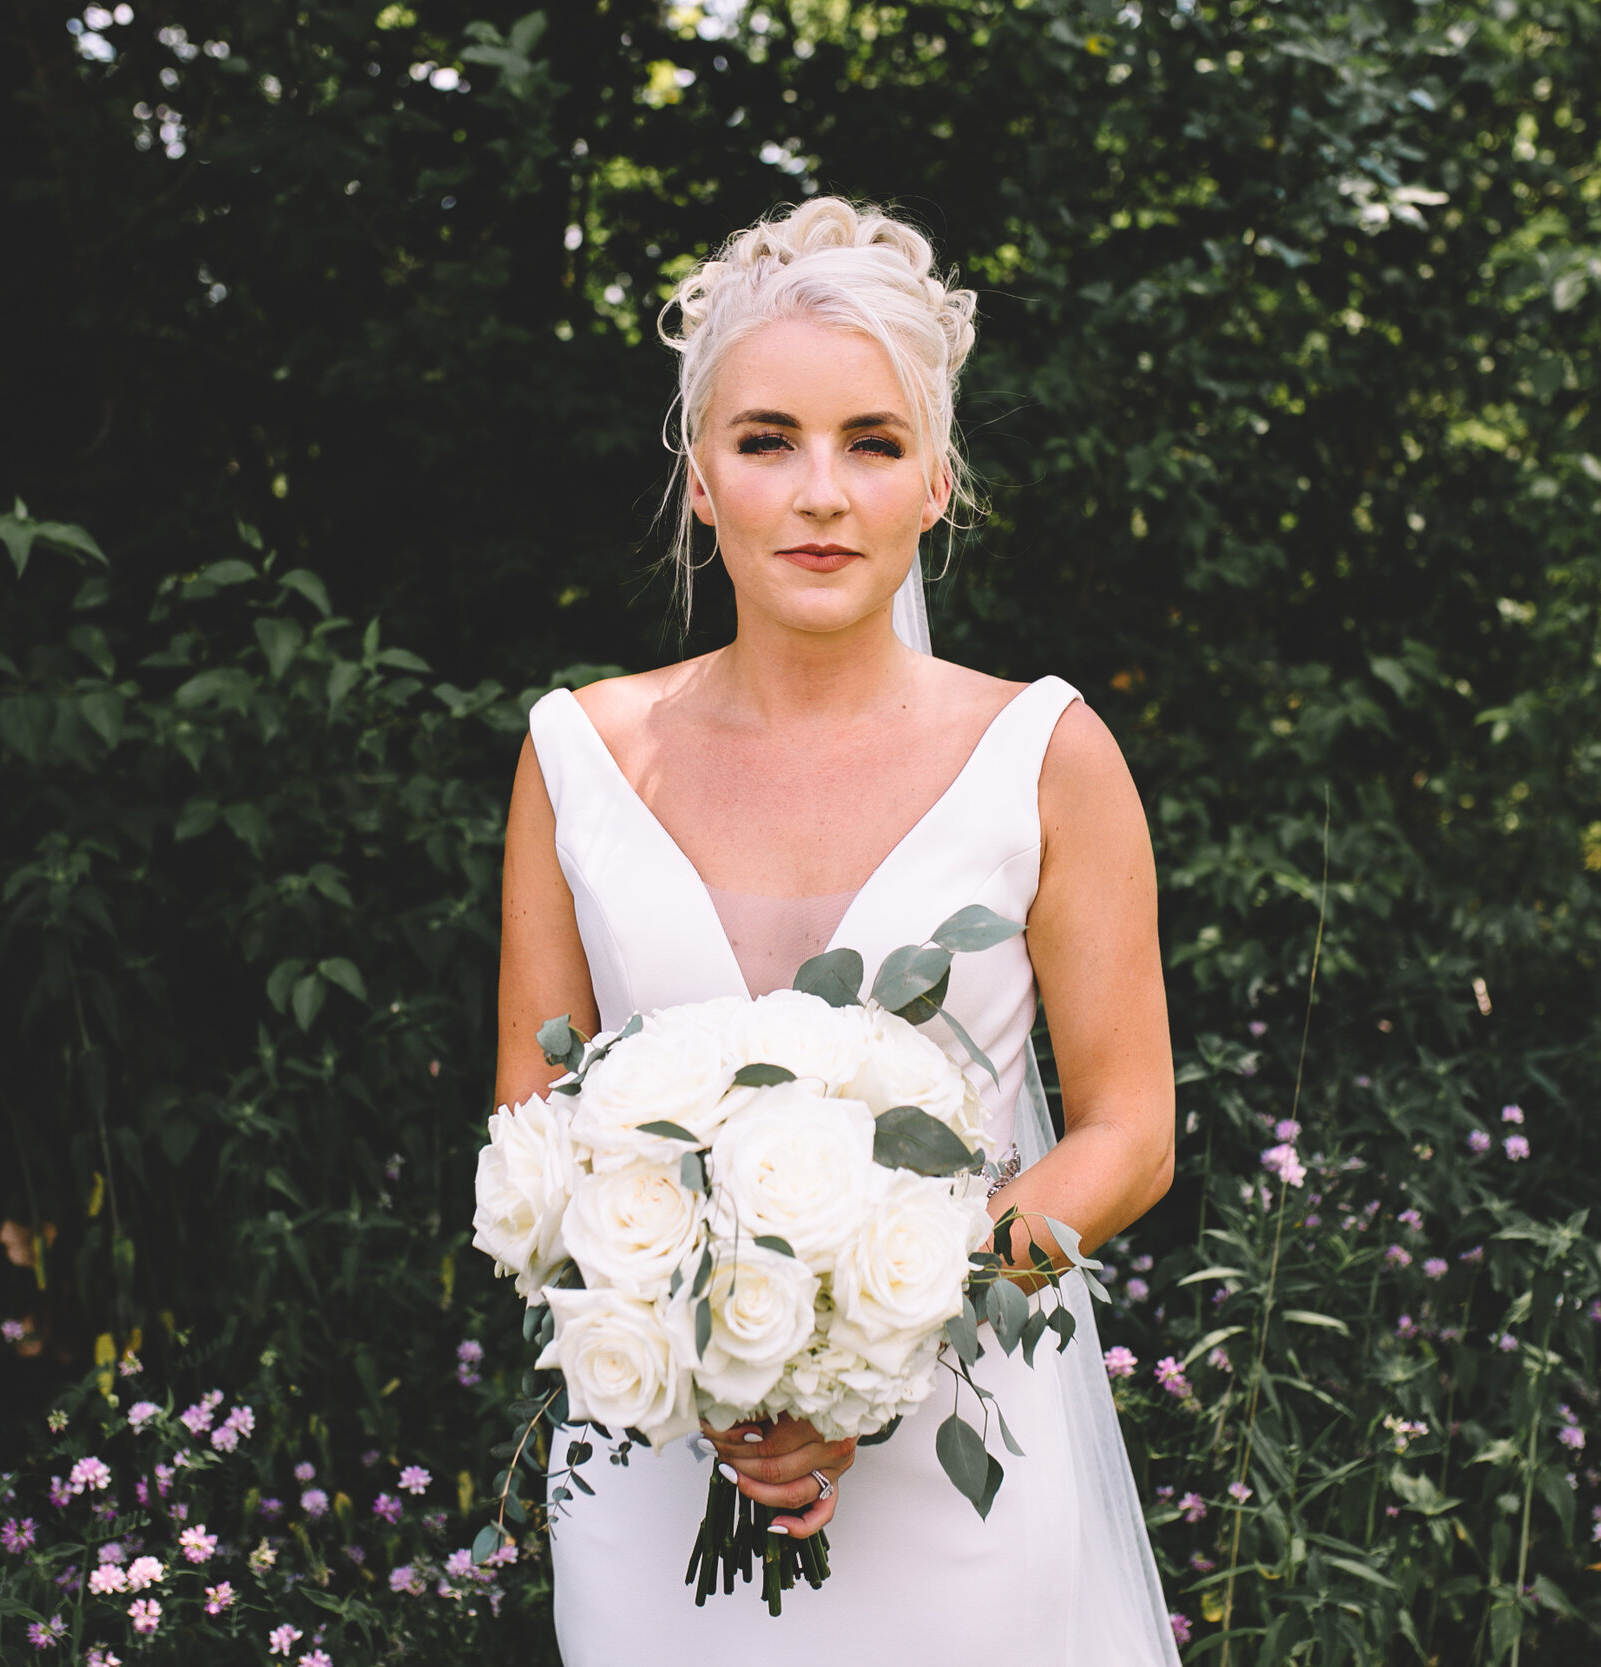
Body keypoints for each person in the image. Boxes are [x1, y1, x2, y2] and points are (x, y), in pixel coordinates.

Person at [493, 197, 1180, 1666]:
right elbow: (530, 1122)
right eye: (767, 441)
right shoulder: (574, 756)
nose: (821, 493)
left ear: (935, 483)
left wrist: (876, 1342)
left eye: (872, 443)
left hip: (956, 1469)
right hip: (659, 1462)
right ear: (700, 480)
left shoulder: (1048, 753)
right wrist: (706, 1355)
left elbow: (1130, 1131)